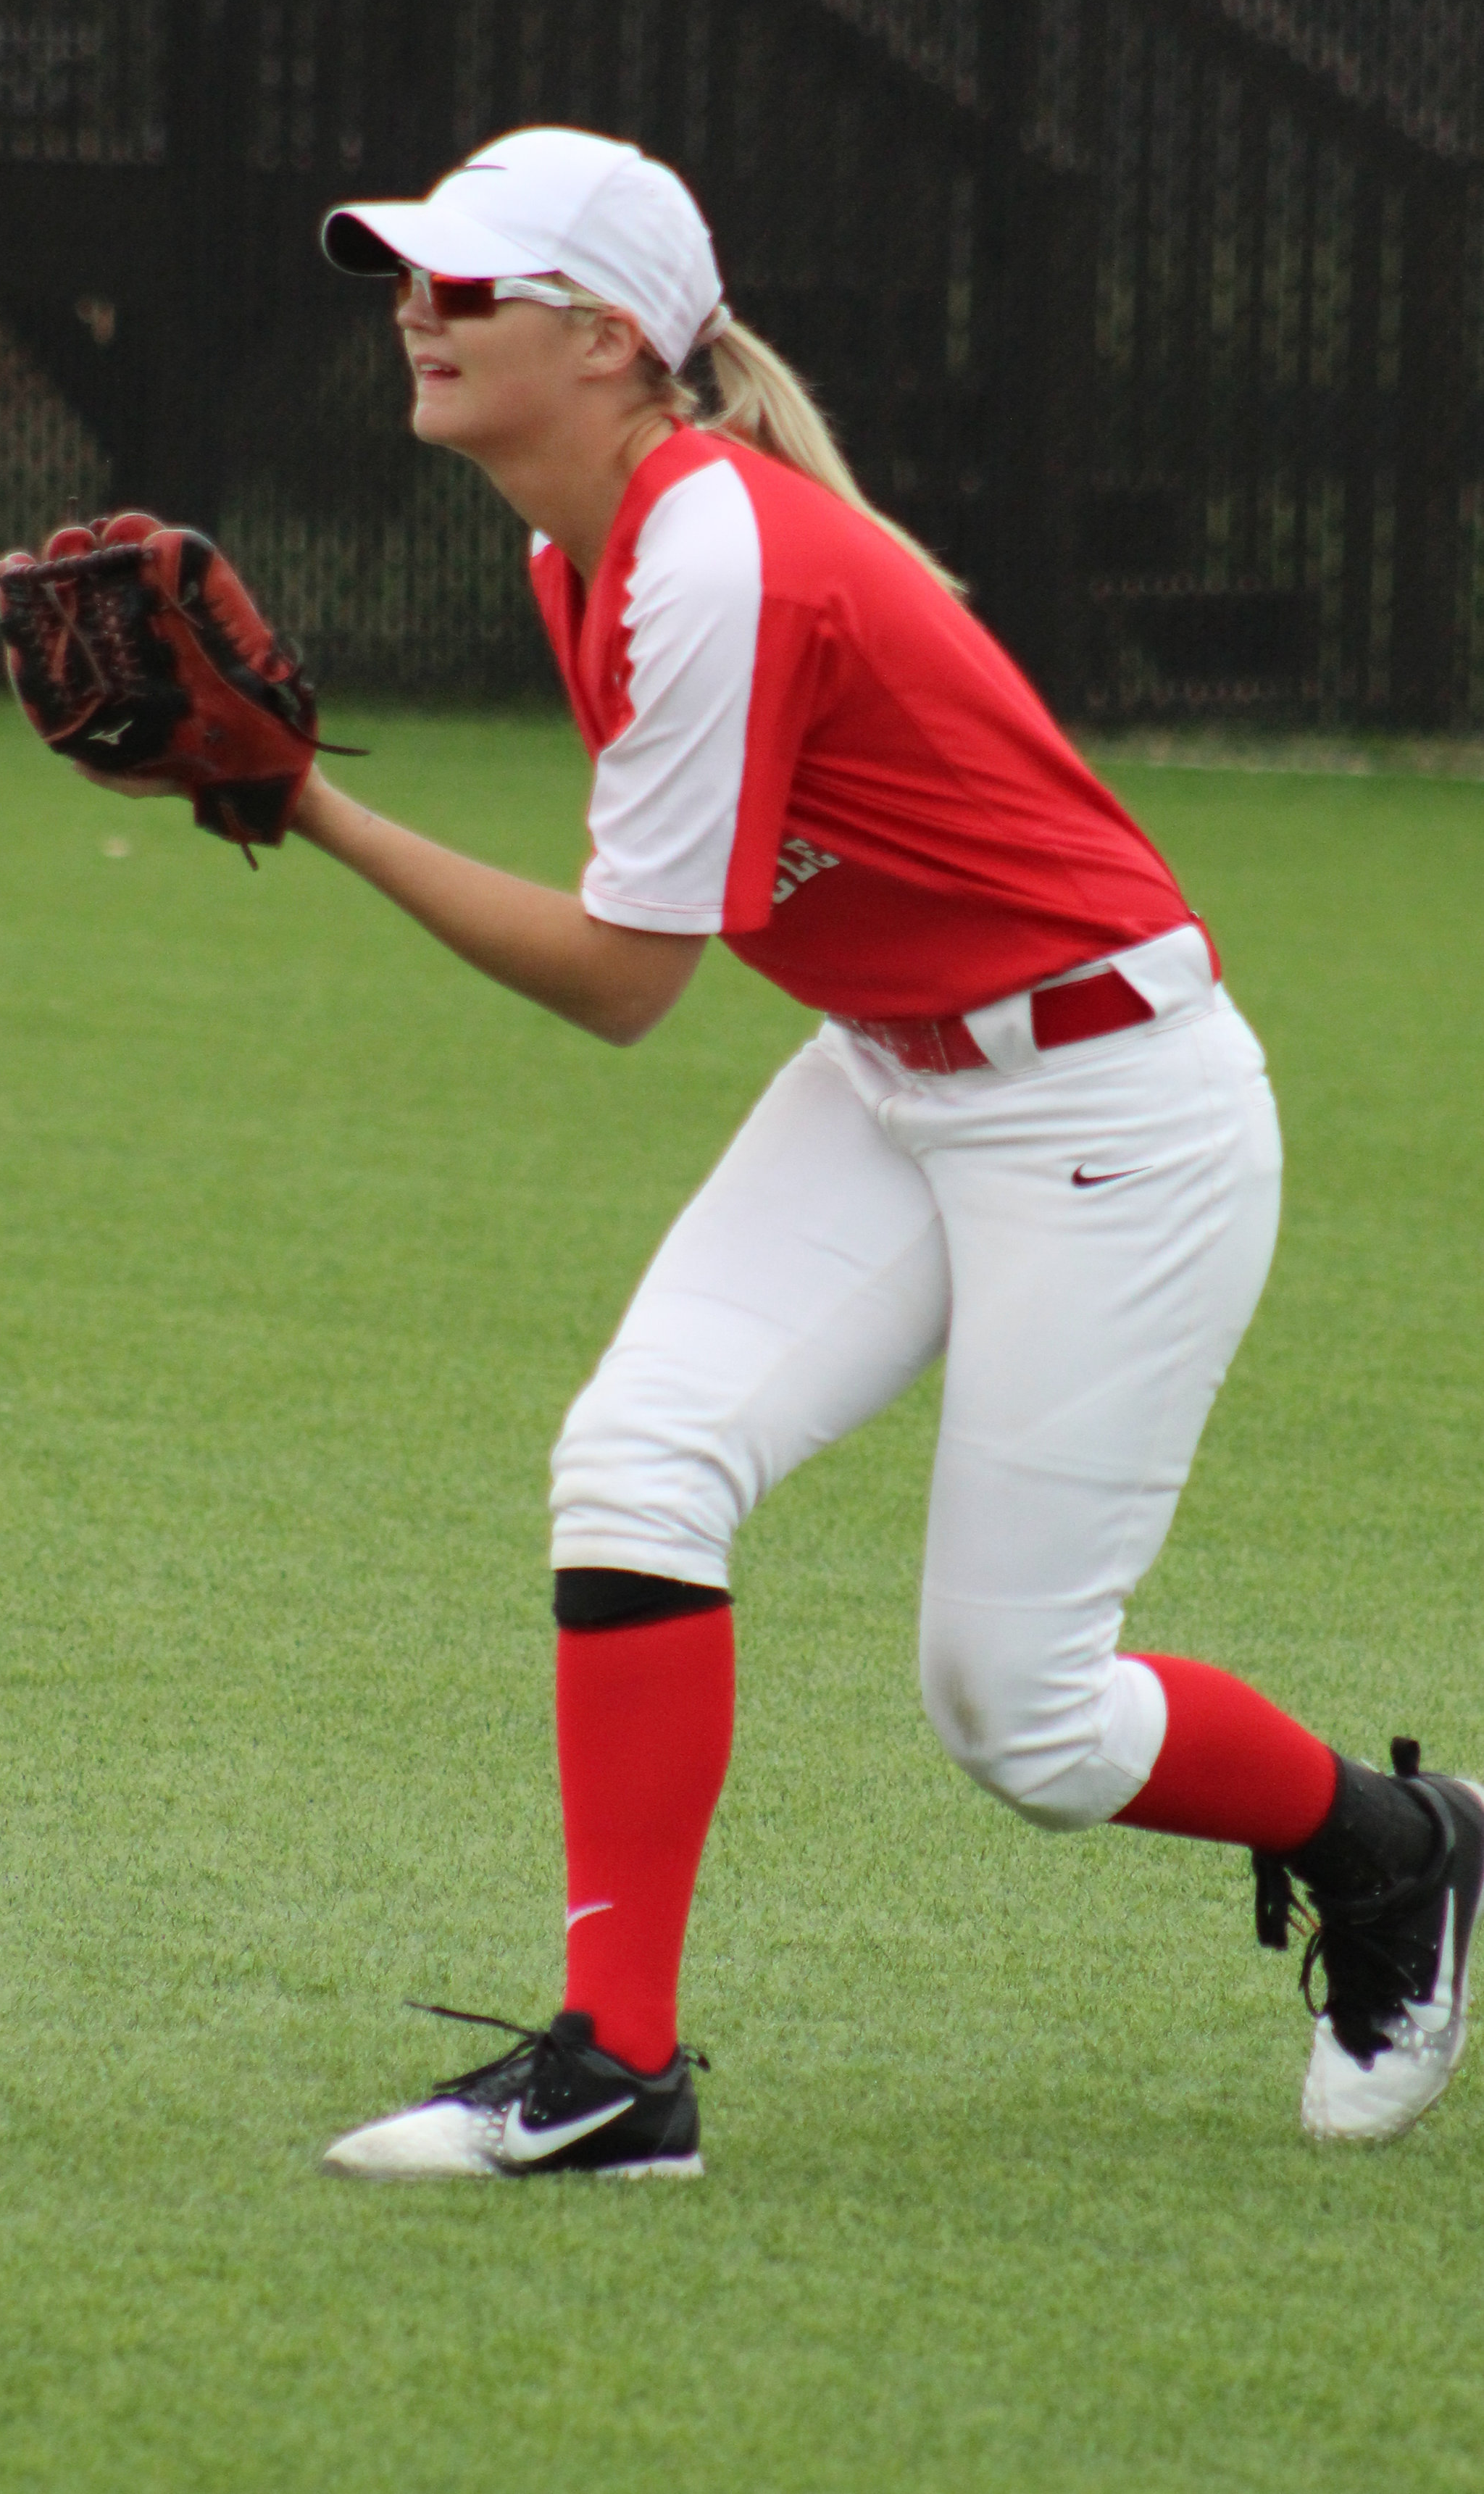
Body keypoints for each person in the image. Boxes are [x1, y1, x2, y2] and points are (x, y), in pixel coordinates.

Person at [291, 125, 1479, 2179]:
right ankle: (614, 2076)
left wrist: (306, 805)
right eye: (408, 272)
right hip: (895, 1073)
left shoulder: (710, 548)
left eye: (471, 284)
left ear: (610, 343)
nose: (421, 305)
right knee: (636, 1462)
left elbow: (623, 985)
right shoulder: (580, 551)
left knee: (1014, 1717)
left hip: (1108, 1105)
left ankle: (1402, 1852)